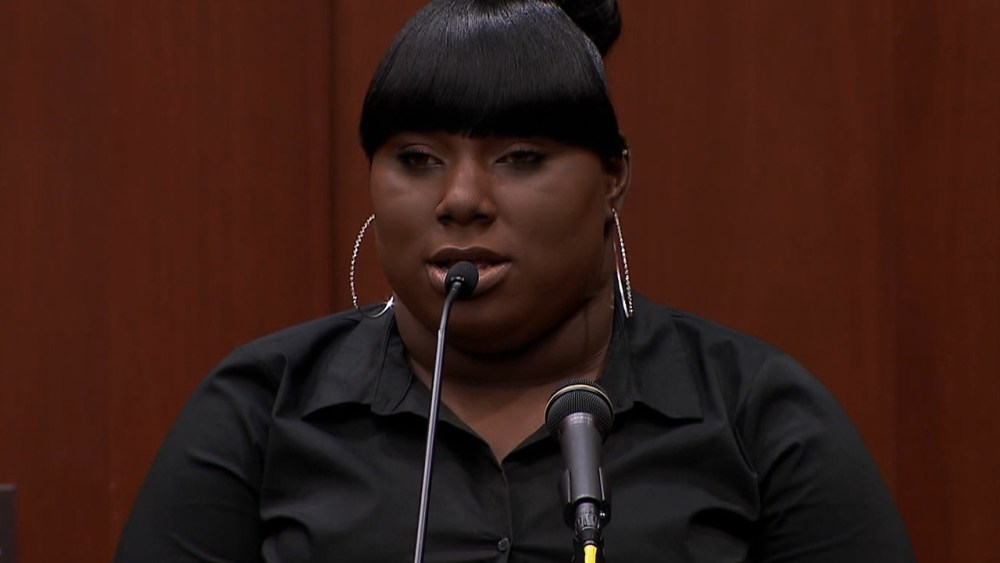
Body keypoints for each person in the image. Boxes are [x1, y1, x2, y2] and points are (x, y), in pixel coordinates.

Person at [114, 1, 915, 561]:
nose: (461, 198)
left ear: (613, 179)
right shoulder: (263, 410)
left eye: (520, 157)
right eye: (416, 158)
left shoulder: (754, 416)